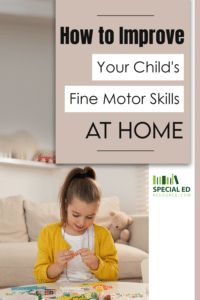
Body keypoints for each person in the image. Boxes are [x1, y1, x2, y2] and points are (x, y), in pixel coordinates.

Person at [34, 166, 119, 283]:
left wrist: (95, 262)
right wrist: (57, 266)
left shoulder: (103, 234)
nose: (82, 222)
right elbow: (39, 275)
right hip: (61, 292)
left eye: (90, 217)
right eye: (75, 215)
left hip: (94, 291)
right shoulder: (48, 233)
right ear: (65, 206)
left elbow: (113, 274)